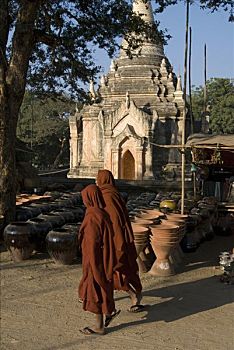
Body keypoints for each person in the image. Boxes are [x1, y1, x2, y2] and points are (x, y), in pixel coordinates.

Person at [96, 169, 144, 313]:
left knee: (115, 269)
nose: (96, 181)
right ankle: (99, 295)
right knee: (106, 269)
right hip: (114, 238)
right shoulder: (112, 193)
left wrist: (115, 242)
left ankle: (133, 295)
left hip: (114, 239)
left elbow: (115, 222)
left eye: (97, 179)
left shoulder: (108, 196)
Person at [78, 184, 120, 335]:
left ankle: (99, 326)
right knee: (102, 288)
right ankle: (107, 314)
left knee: (96, 290)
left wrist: (92, 266)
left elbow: (91, 244)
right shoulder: (102, 213)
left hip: (95, 261)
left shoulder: (92, 217)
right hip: (104, 258)